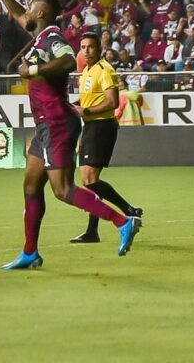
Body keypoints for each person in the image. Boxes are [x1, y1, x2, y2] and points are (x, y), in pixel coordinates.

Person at [0, 0, 141, 270]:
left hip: (57, 122)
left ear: (41, 13)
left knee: (62, 190)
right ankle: (30, 252)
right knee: (31, 185)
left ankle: (121, 221)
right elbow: (20, 17)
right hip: (46, 126)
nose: (26, 12)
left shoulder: (53, 37)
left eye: (31, 7)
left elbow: (69, 60)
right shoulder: (42, 34)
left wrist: (34, 69)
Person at [70, 32, 142, 244]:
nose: (86, 51)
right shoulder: (86, 70)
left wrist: (86, 111)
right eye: (83, 47)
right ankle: (94, 230)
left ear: (99, 48)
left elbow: (112, 102)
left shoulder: (105, 70)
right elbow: (86, 99)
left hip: (102, 126)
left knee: (90, 180)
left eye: (90, 47)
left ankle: (128, 210)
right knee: (88, 181)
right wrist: (71, 105)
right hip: (92, 125)